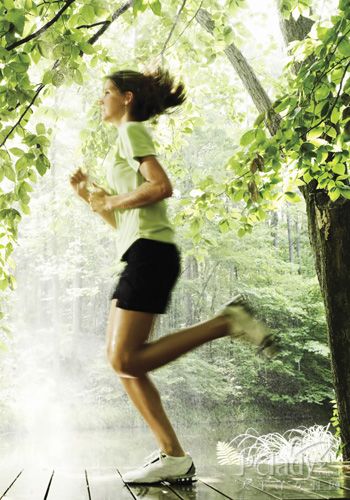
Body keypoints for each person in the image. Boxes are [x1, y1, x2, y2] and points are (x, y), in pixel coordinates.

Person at [70, 68, 279, 485]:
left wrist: (111, 198)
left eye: (106, 92)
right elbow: (125, 223)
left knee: (126, 359)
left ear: (126, 98)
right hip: (141, 252)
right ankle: (173, 457)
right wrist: (92, 200)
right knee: (122, 362)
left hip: (152, 254)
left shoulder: (132, 132)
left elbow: (161, 186)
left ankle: (227, 322)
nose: (100, 100)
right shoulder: (122, 143)